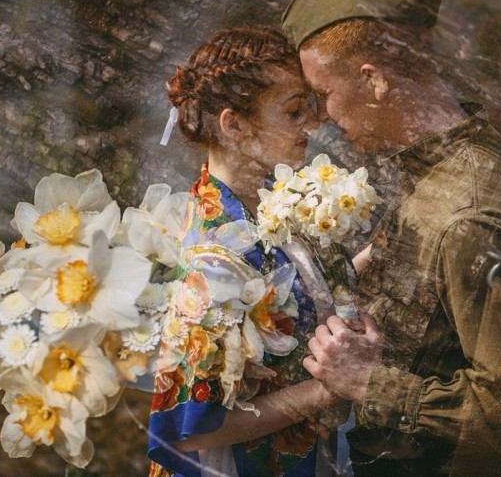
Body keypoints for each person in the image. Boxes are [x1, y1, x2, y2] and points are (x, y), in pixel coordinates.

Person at [280, 0, 501, 476]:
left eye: (323, 96)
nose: (322, 120)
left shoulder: (474, 213)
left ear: (373, 80)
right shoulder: (435, 165)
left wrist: (367, 382)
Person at [147, 27, 352, 477]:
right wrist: (329, 389)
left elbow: (299, 291)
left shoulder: (264, 202)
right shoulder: (213, 255)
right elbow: (188, 431)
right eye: (294, 110)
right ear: (234, 125)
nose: (313, 122)